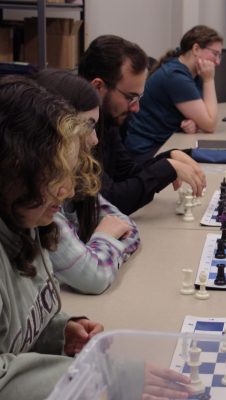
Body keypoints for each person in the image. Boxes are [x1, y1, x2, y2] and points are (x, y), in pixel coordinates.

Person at [0, 76, 104, 398]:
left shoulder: (26, 218)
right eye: (56, 175)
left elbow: (15, 332)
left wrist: (58, 331)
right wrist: (95, 377)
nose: (69, 190)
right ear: (13, 171)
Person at [35, 69, 141, 294]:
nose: (95, 139)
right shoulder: (41, 195)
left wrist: (98, 251)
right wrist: (103, 239)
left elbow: (125, 227)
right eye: (88, 126)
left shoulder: (78, 175)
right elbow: (93, 277)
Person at [78, 34, 207, 215]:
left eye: (139, 98)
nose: (136, 108)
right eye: (130, 98)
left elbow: (126, 174)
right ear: (98, 87)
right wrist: (166, 169)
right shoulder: (75, 130)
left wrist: (168, 159)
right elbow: (108, 201)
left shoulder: (107, 119)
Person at [125, 25, 222, 161]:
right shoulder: (176, 76)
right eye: (215, 54)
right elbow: (210, 124)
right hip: (147, 151)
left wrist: (197, 122)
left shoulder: (193, 73)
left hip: (166, 143)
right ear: (196, 49)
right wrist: (209, 80)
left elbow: (206, 115)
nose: (218, 62)